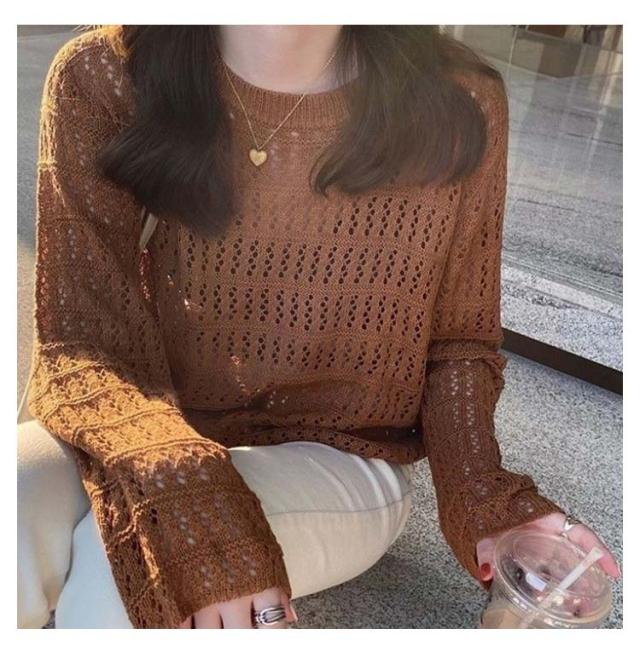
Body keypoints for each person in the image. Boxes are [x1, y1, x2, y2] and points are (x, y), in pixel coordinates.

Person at [17, 24, 620, 629]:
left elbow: (458, 341)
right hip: (138, 423)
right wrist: (180, 473)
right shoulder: (105, 74)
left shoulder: (459, 99)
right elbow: (80, 337)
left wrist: (480, 492)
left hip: (345, 456)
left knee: (139, 578)